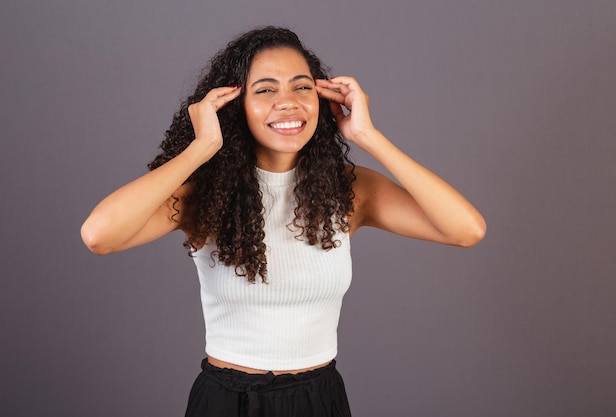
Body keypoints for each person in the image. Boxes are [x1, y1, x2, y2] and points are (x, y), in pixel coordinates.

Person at [81, 26, 486, 417]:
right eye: (265, 89)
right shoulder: (205, 194)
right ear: (233, 105)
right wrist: (200, 148)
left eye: (301, 86)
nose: (288, 102)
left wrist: (368, 135)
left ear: (321, 97)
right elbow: (99, 235)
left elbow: (466, 229)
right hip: (227, 400)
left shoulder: (349, 190)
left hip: (320, 398)